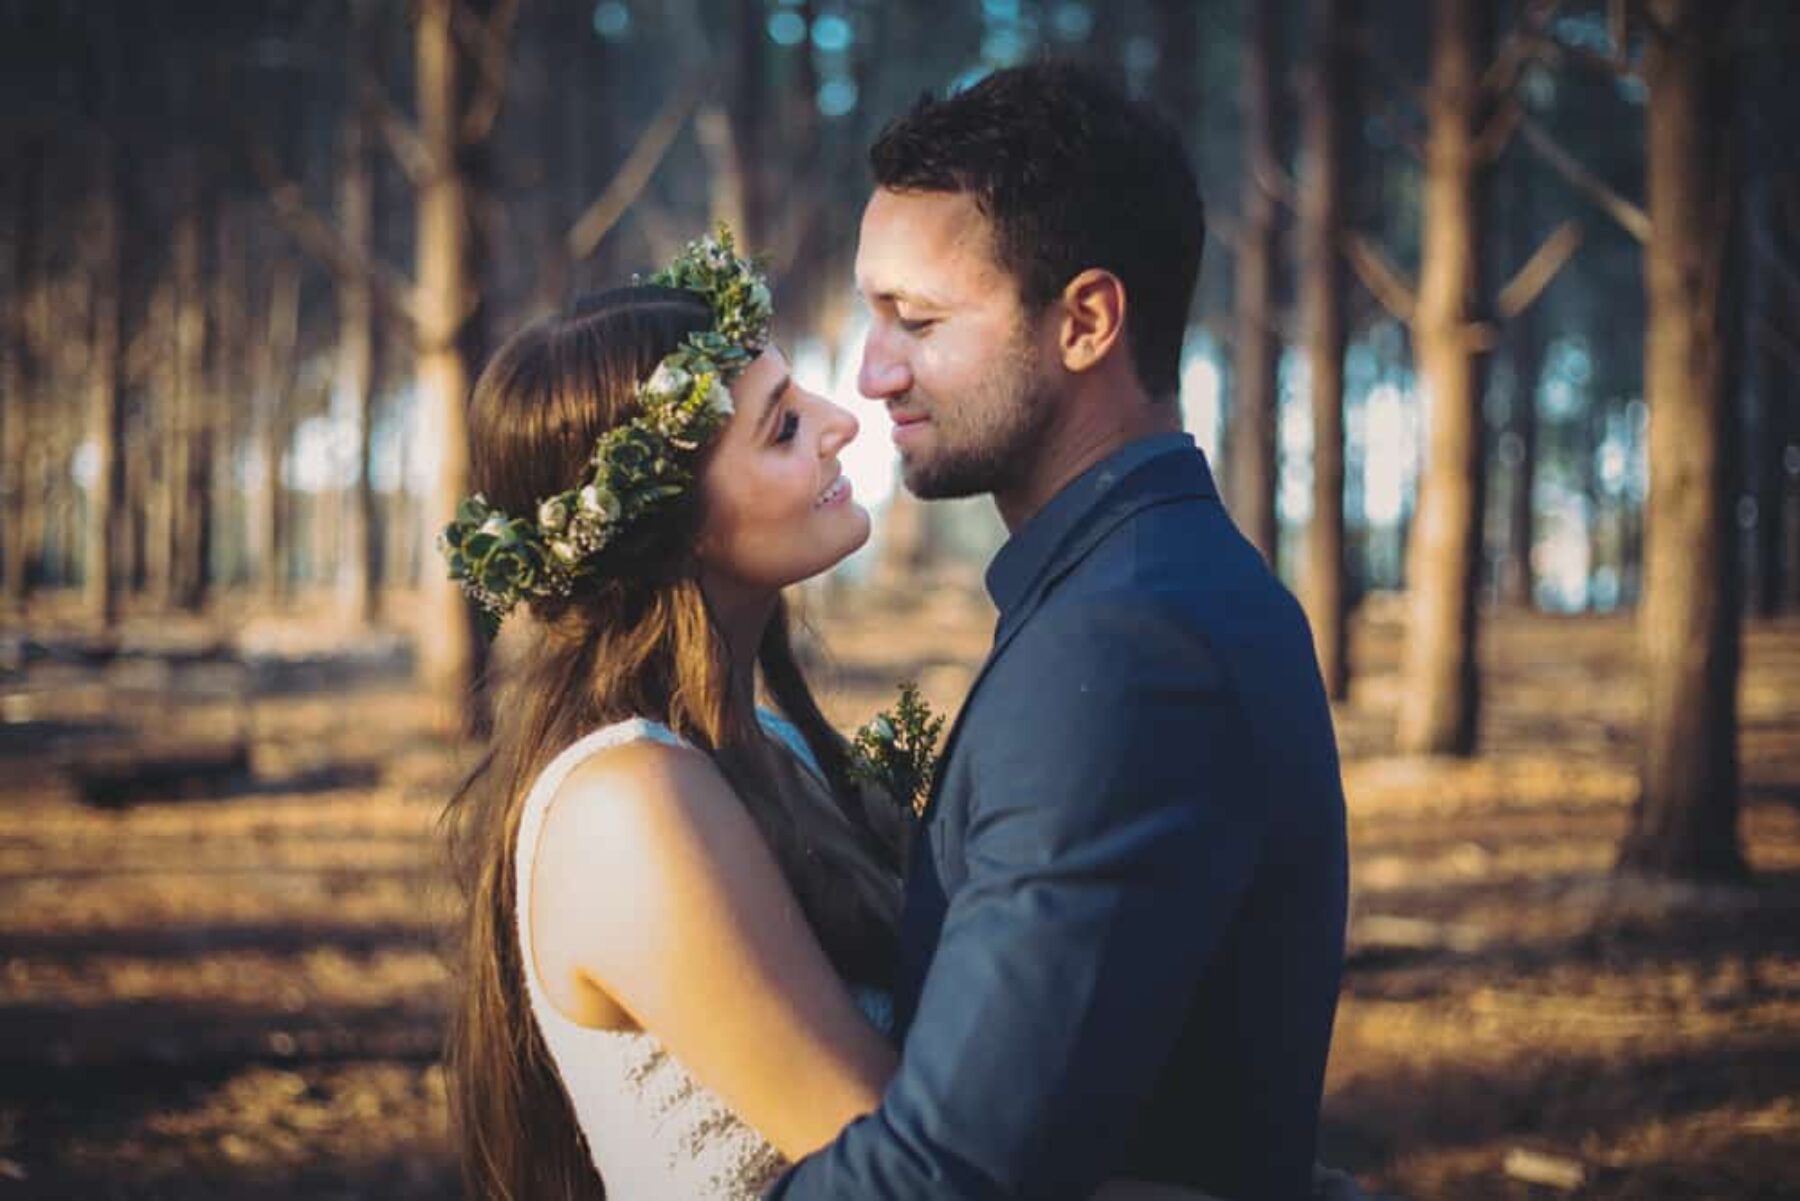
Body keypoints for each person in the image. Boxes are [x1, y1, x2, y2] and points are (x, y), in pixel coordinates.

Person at [437, 230, 1225, 1201]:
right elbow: (904, 1164)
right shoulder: (625, 806)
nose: (840, 422)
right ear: (667, 525)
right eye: (781, 427)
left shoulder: (757, 745)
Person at [768, 63, 1350, 1201]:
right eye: (870, 314)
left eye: (917, 320)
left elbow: (957, 1173)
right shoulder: (1152, 588)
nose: (874, 372)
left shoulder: (1126, 646)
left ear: (1085, 320)